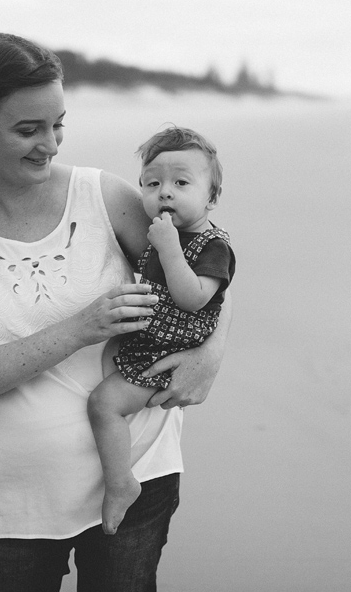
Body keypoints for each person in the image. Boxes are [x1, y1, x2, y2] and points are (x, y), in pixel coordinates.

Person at [0, 32, 231, 591]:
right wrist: (81, 328)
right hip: (20, 499)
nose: (51, 145)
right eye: (28, 129)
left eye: (57, 124)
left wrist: (211, 355)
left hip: (140, 471)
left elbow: (208, 269)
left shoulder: (103, 196)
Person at [88, 127, 235, 535]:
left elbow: (193, 298)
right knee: (108, 354)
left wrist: (168, 248)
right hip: (153, 335)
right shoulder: (163, 233)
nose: (164, 192)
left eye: (181, 183)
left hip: (170, 350)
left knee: (103, 403)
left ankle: (121, 483)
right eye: (152, 184)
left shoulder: (213, 246)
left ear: (211, 197)